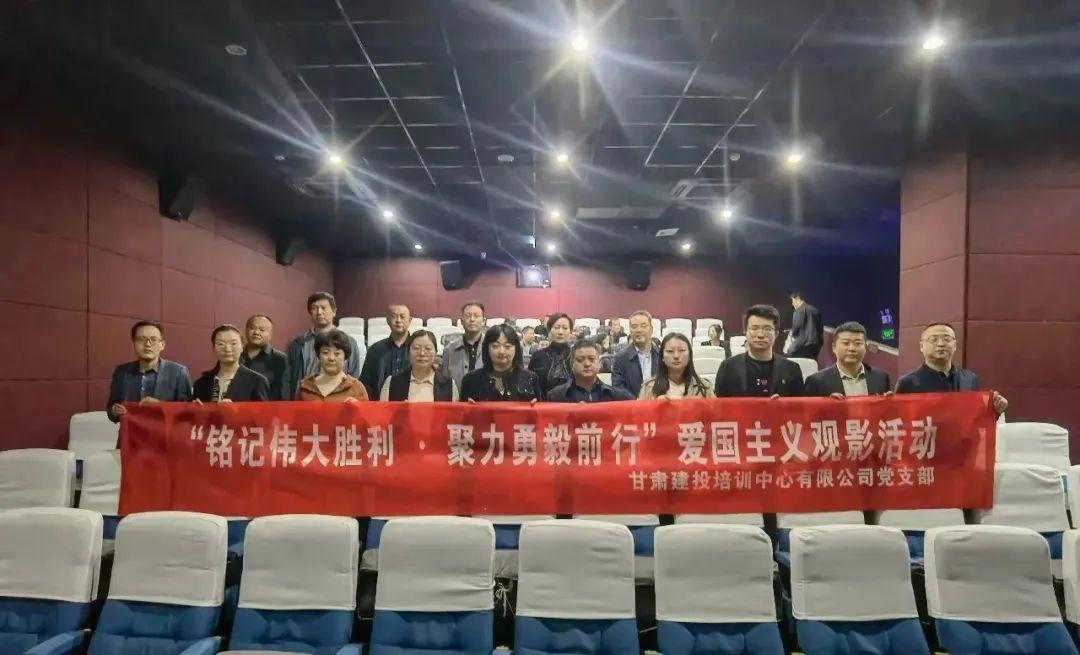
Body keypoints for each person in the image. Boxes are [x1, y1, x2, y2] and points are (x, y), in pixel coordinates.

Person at [896, 322, 1008, 414]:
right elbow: (901, 422)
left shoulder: (970, 379)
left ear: (955, 345)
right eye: (933, 339)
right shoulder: (908, 383)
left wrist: (995, 410)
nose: (941, 344)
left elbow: (975, 418)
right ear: (921, 346)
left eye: (947, 339)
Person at [106, 321, 193, 422]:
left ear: (162, 345)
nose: (147, 344)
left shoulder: (179, 373)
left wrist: (161, 407)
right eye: (141, 339)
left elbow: (188, 414)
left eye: (153, 339)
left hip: (164, 432)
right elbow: (111, 408)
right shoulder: (121, 372)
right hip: (130, 431)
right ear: (133, 343)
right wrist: (114, 411)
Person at [285, 291, 365, 399]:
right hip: (307, 398)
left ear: (334, 312)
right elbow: (288, 379)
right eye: (314, 308)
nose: (319, 312)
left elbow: (353, 373)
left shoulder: (349, 342)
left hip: (340, 399)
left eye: (323, 308)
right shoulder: (297, 344)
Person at [714, 305, 804, 397]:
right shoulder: (728, 368)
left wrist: (782, 404)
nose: (760, 335)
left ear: (776, 334)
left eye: (767, 329)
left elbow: (799, 404)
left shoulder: (792, 369)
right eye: (754, 328)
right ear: (745, 332)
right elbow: (720, 404)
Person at [803, 322, 892, 397]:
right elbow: (808, 411)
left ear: (865, 347)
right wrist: (827, 404)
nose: (851, 348)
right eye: (846, 343)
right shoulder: (816, 382)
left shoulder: (881, 378)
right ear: (834, 347)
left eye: (857, 343)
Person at [460, 324, 540, 402]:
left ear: (516, 348)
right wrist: (468, 408)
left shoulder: (530, 378)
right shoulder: (471, 380)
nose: (501, 351)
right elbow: (461, 409)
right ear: (486, 348)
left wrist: (535, 407)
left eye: (507, 346)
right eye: (495, 346)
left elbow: (540, 408)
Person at [193, 324, 270, 402]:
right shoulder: (201, 383)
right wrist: (194, 407)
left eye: (233, 343)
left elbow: (263, 410)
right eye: (221, 344)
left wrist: (235, 409)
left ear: (242, 347)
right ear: (214, 348)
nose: (227, 349)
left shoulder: (257, 381)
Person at [380, 330, 458, 402]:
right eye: (416, 348)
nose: (422, 353)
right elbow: (383, 411)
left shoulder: (449, 385)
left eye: (428, 348)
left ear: (436, 353)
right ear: (408, 352)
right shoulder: (391, 383)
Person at [547, 340, 634, 402]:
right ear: (572, 364)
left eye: (591, 359)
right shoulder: (556, 396)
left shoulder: (618, 396)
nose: (587, 364)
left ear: (599, 363)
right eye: (580, 360)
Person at [295, 329, 368, 402]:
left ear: (345, 358)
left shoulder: (356, 388)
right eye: (325, 352)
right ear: (318, 356)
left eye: (337, 353)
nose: (331, 358)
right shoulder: (305, 387)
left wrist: (357, 406)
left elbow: (366, 409)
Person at [360, 304, 412, 398]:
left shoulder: (417, 349)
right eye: (394, 316)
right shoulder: (375, 350)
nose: (398, 320)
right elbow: (365, 382)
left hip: (411, 402)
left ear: (410, 320)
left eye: (402, 316)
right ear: (387, 320)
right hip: (380, 402)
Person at [639, 333, 713, 399]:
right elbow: (639, 410)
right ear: (662, 357)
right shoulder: (648, 388)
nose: (676, 356)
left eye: (681, 350)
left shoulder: (704, 387)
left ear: (689, 356)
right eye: (670, 351)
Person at [611, 310, 660, 398]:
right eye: (634, 326)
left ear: (651, 329)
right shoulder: (620, 358)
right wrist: (637, 402)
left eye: (643, 326)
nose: (639, 330)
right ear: (630, 331)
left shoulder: (662, 356)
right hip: (631, 405)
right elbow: (618, 388)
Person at [240, 314, 288, 400]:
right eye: (252, 328)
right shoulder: (235, 356)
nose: (256, 332)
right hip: (237, 407)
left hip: (268, 407)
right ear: (246, 330)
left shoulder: (280, 359)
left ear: (270, 335)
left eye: (262, 330)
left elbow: (284, 393)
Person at [527, 312, 574, 398]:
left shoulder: (576, 356)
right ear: (549, 330)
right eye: (556, 328)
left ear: (570, 332)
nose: (560, 332)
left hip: (572, 404)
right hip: (543, 404)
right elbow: (529, 386)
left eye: (565, 328)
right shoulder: (537, 356)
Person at [444, 302, 488, 389]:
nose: (472, 319)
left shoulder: (491, 347)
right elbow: (444, 382)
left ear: (483, 321)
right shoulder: (449, 350)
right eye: (468, 316)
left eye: (476, 316)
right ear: (461, 321)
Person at [786, 292, 823, 359]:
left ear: (797, 299)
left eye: (792, 301)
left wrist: (793, 333)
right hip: (815, 347)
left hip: (801, 345)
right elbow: (821, 330)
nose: (792, 304)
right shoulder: (815, 310)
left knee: (789, 355)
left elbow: (796, 327)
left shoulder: (798, 310)